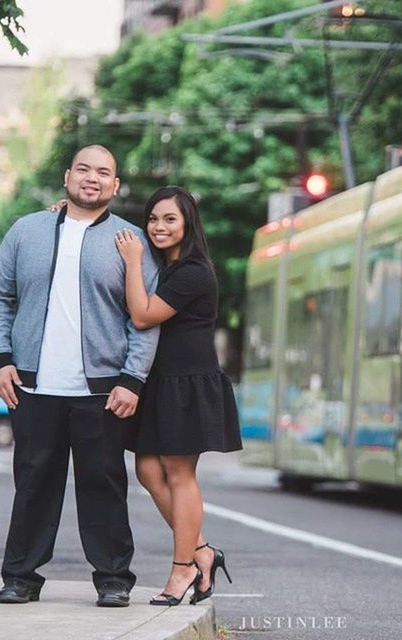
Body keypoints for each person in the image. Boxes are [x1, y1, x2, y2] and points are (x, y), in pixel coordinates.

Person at [0, 145, 159, 607]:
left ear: (116, 186)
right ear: (67, 177)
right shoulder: (27, 230)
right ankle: (20, 577)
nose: (93, 178)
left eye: (104, 172)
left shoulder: (132, 242)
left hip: (103, 390)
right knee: (34, 483)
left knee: (103, 484)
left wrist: (132, 378)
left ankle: (114, 578)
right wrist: (1, 359)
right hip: (33, 386)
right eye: (84, 169)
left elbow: (144, 318)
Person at [114, 185, 242, 606]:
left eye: (169, 219)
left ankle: (183, 567)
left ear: (187, 223)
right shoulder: (163, 265)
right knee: (149, 471)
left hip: (188, 384)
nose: (158, 226)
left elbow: (143, 314)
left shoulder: (192, 271)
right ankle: (203, 552)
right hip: (162, 383)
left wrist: (132, 262)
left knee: (179, 474)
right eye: (153, 218)